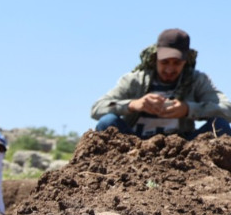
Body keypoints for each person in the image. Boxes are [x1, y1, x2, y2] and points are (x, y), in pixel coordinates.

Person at [91, 28, 231, 139]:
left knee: (221, 126)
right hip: (133, 146)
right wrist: (133, 105)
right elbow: (97, 108)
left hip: (182, 149)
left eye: (176, 63)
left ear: (185, 61)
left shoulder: (197, 80)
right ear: (155, 58)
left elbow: (227, 109)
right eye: (164, 62)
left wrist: (188, 109)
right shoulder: (135, 80)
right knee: (107, 122)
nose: (169, 69)